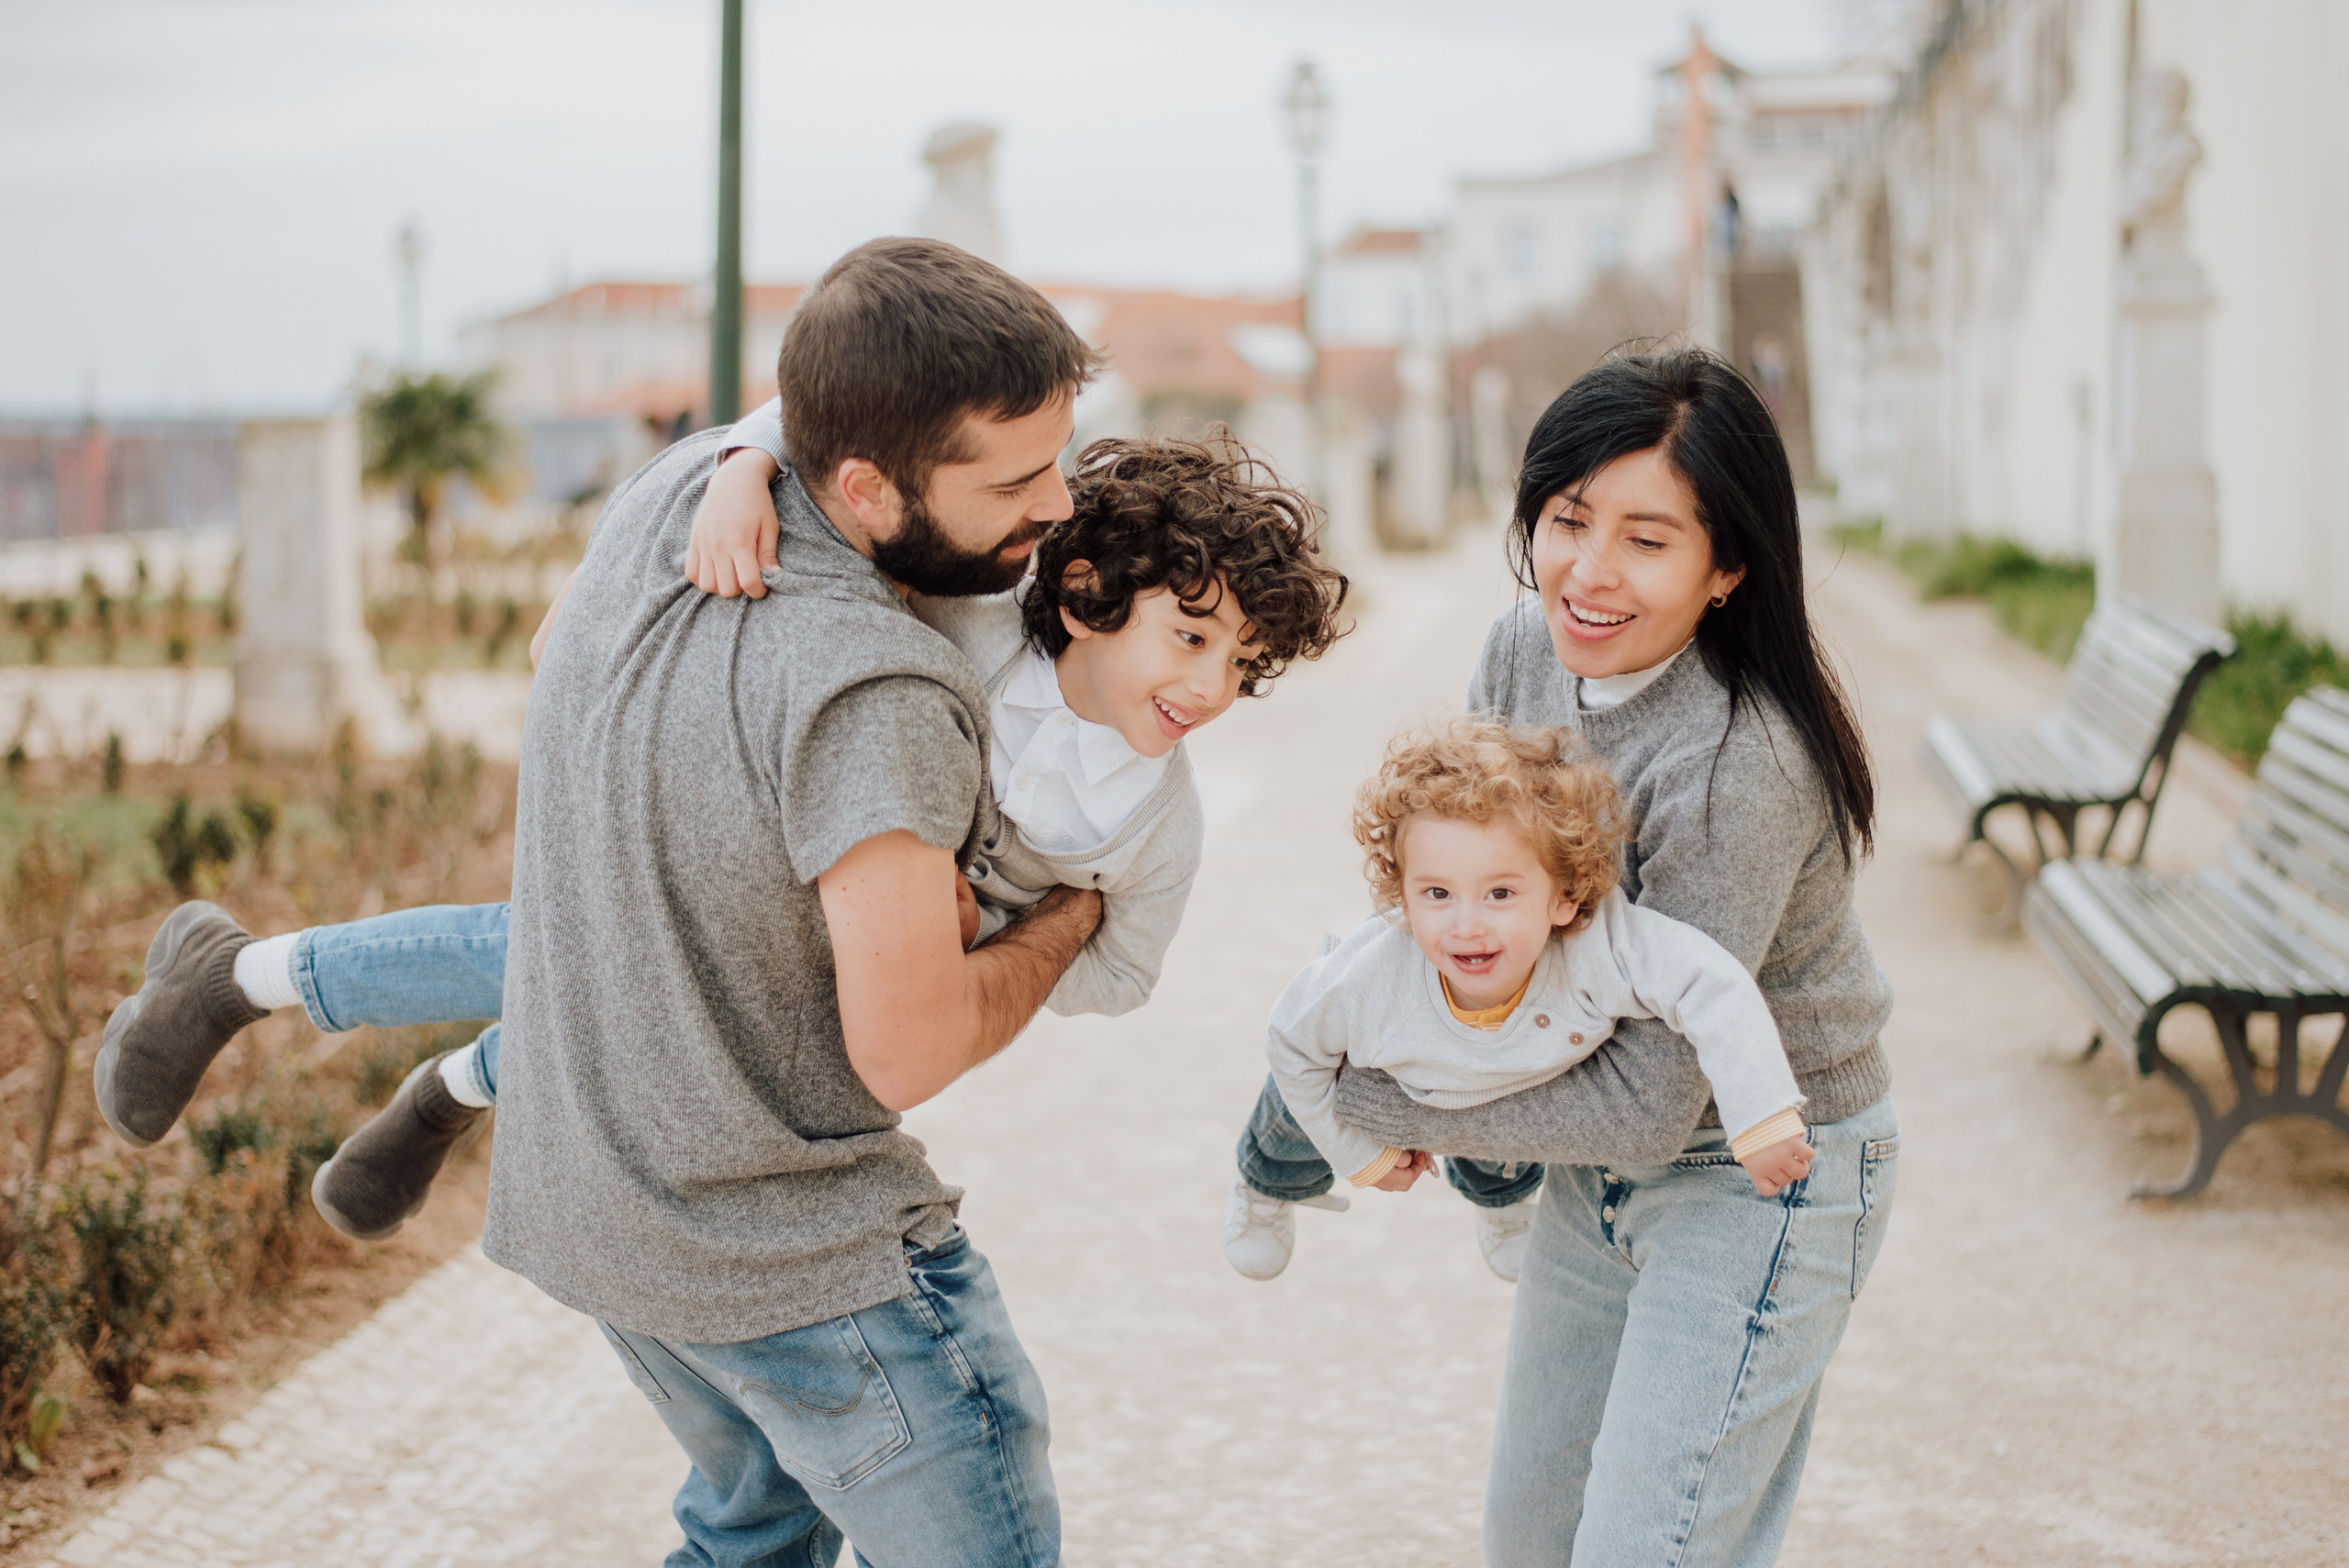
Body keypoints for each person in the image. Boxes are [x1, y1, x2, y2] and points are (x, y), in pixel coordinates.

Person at [94, 428, 1345, 1246]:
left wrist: (1001, 937)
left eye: (1243, 663)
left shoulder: (1155, 823)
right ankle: (248, 974)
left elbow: (1123, 978)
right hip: (767, 849)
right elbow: (845, 442)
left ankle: (454, 1086)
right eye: (1191, 638)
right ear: (1084, 596)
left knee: (665, 1027)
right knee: (569, 942)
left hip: (868, 978)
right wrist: (744, 468)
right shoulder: (974, 613)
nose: (1211, 687)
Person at [1322, 347, 1898, 1565]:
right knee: (1529, 1541)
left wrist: (1364, 1098)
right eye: (1569, 519)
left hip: (1758, 1167)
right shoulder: (1519, 651)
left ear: (1727, 567)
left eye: (1647, 539)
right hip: (1593, 1165)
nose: (1587, 571)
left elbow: (1653, 1098)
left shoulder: (1741, 762)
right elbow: (1464, 894)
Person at [1223, 718, 1813, 1283]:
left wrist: (1760, 1115)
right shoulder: (1367, 981)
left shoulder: (1599, 946)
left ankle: (1502, 1199)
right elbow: (1291, 1044)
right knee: (1298, 1116)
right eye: (1437, 893)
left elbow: (1710, 983)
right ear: (1401, 895)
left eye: (1500, 893)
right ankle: (1265, 1183)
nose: (1466, 926)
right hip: (1395, 1063)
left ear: (1564, 896)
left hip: (1515, 1071)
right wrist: (1357, 1156)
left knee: (1508, 1127)